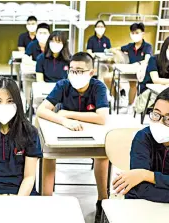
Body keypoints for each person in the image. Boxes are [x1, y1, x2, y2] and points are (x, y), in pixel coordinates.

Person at [36, 52, 109, 222]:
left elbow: (102, 117)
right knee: (49, 152)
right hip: (65, 133)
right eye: (72, 70)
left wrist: (68, 114)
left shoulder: (98, 87)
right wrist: (63, 120)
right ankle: (46, 199)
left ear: (91, 72)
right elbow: (41, 110)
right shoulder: (63, 85)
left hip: (91, 135)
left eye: (80, 71)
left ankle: (102, 200)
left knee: (103, 154)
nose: (75, 74)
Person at [135, 35, 169, 114]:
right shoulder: (154, 59)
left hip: (167, 89)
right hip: (150, 90)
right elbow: (155, 80)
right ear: (165, 48)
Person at [109, 23, 152, 110]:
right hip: (129, 70)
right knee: (108, 78)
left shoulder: (147, 46)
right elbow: (114, 49)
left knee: (133, 84)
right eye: (132, 33)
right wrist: (119, 53)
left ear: (142, 33)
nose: (134, 35)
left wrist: (138, 64)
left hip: (141, 72)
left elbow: (147, 60)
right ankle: (120, 96)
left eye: (137, 32)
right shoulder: (129, 46)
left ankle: (130, 105)